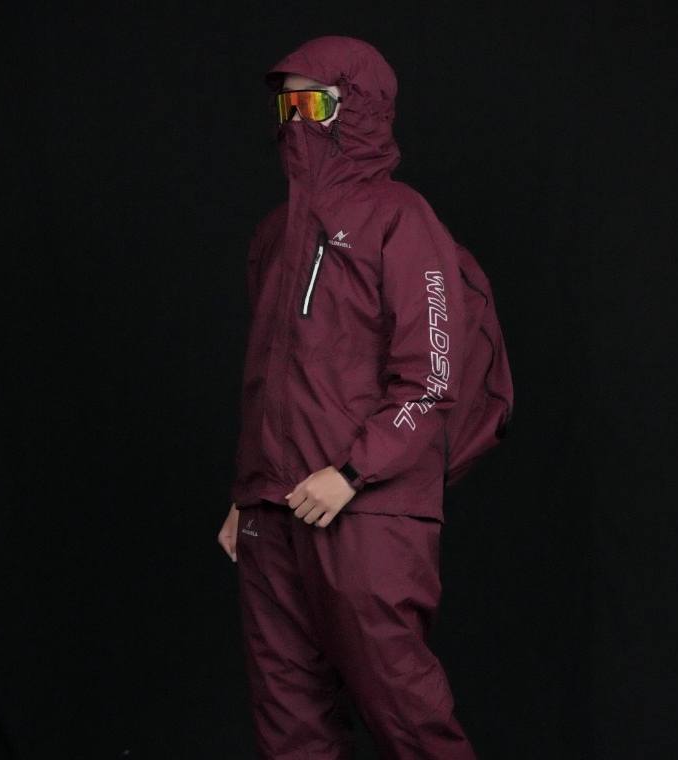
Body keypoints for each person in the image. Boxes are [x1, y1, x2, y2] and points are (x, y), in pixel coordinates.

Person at [218, 35, 504, 760]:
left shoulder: (401, 218)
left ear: (360, 110)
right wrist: (249, 492)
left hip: (365, 508)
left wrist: (351, 473)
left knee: (405, 713)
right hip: (273, 509)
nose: (296, 122)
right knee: (291, 725)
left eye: (313, 105)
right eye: (285, 107)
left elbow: (432, 376)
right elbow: (271, 379)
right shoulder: (275, 234)